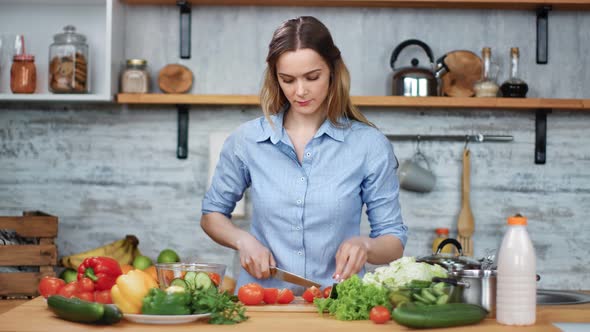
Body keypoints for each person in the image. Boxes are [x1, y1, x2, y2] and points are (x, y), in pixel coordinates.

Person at [201, 16, 407, 294]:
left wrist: (366, 245)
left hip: (337, 304)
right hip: (261, 302)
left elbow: (393, 240)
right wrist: (242, 240)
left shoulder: (369, 145)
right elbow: (212, 214)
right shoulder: (247, 140)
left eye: (312, 77)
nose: (300, 91)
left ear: (333, 71)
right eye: (287, 80)